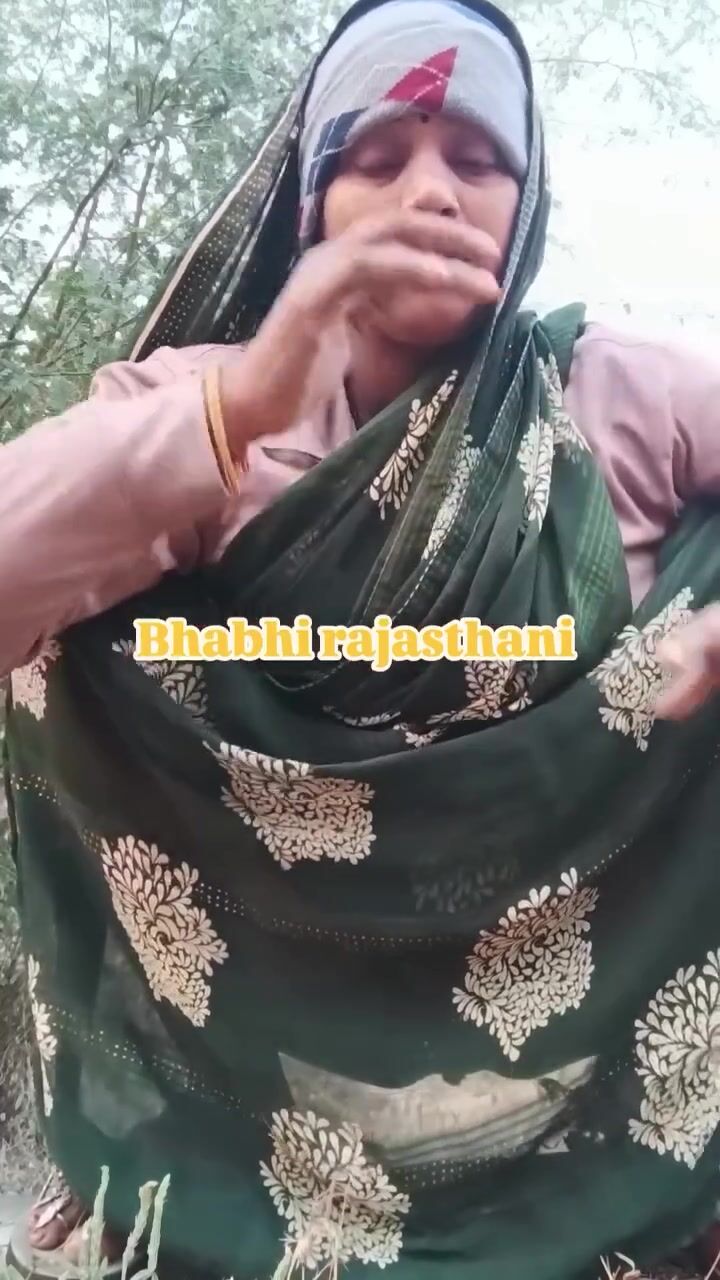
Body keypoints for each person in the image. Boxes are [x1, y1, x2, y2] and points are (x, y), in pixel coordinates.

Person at [3, 0, 720, 1276]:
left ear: (529, 198)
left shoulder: (624, 399)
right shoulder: (201, 408)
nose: (430, 191)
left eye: (478, 158)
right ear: (311, 205)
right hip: (252, 1133)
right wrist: (241, 403)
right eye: (376, 158)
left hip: (574, 1136)